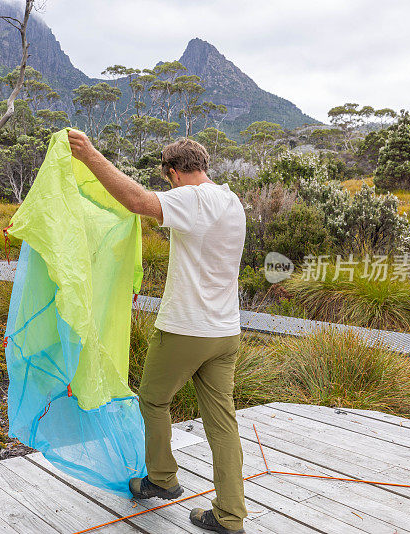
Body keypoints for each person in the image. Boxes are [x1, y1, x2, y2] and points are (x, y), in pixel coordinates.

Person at [67, 129, 248, 534]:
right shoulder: (231, 200)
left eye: (167, 178)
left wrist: (90, 155)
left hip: (185, 329)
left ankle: (162, 479)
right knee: (222, 422)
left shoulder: (193, 198)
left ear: (173, 172)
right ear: (203, 165)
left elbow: (136, 201)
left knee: (152, 400)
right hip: (225, 332)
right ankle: (230, 516)